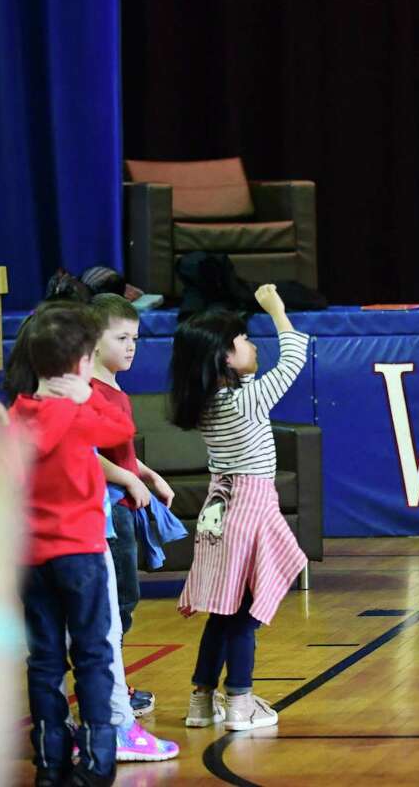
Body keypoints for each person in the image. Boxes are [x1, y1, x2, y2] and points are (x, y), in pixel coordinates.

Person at [169, 285, 308, 731]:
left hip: (220, 509)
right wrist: (277, 311)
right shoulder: (246, 401)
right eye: (244, 340)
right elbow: (293, 360)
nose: (253, 345)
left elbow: (248, 376)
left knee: (222, 611)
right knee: (245, 616)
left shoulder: (212, 401)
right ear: (224, 358)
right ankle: (241, 702)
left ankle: (201, 701)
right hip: (249, 509)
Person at [9, 306, 136, 787]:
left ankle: (49, 761)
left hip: (31, 558)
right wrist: (89, 398)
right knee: (92, 655)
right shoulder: (79, 415)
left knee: (43, 660)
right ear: (84, 362)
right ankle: (98, 760)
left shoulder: (17, 416)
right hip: (80, 553)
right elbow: (121, 429)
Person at [87, 292, 182, 754]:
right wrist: (127, 478)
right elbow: (85, 452)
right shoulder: (87, 389)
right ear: (92, 339)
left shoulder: (115, 387)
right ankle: (108, 694)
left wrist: (147, 473)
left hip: (126, 502)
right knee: (116, 604)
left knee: (125, 599)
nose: (130, 347)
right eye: (121, 338)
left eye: (135, 339)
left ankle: (113, 686)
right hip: (108, 510)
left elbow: (119, 451)